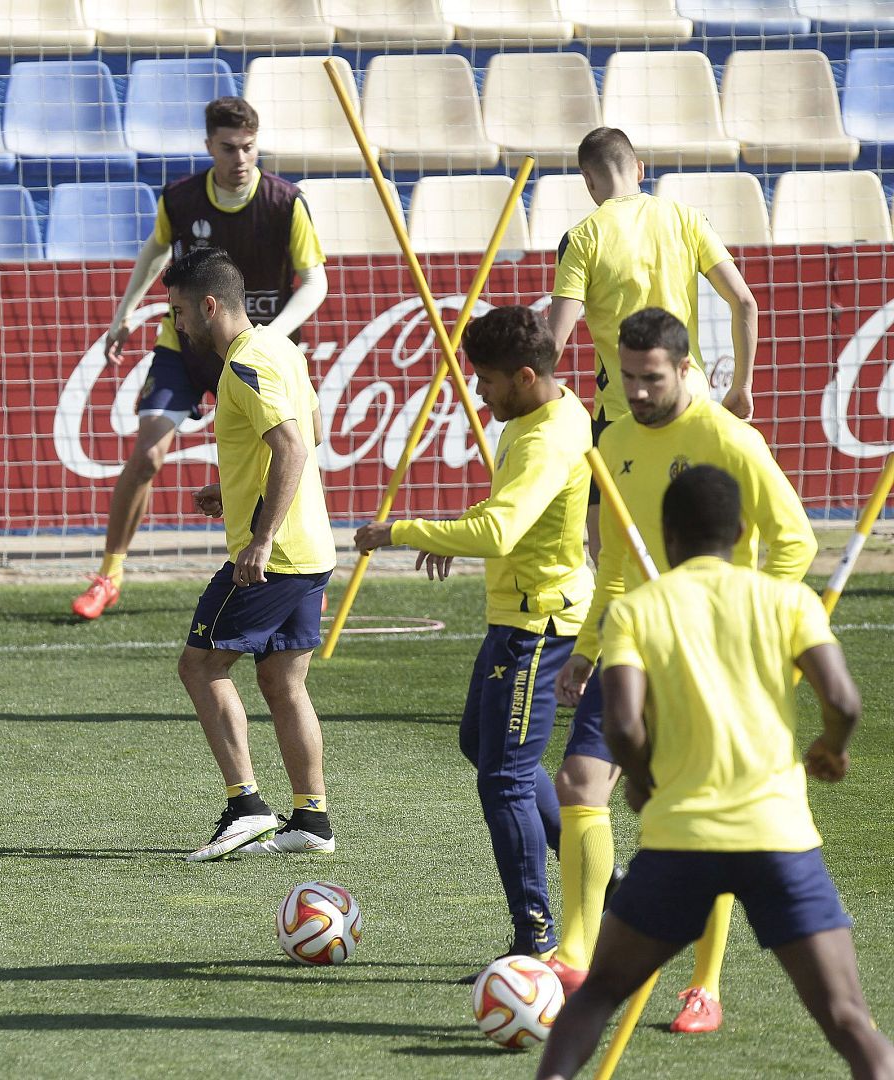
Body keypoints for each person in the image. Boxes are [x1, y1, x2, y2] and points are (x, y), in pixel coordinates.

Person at [537, 465, 893, 1080]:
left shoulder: (637, 610)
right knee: (848, 1019)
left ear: (669, 534)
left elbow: (621, 726)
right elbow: (844, 702)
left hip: (681, 841)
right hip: (778, 838)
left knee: (595, 997)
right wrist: (830, 748)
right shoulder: (787, 600)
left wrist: (645, 785)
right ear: (741, 531)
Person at [550, 307, 817, 1032]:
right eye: (628, 377)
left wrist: (755, 629)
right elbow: (611, 563)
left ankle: (704, 987)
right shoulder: (616, 439)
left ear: (685, 368)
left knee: (698, 821)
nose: (635, 391)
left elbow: (795, 542)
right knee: (578, 782)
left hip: (709, 660)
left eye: (650, 378)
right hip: (633, 646)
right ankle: (573, 952)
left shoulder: (728, 439)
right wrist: (585, 646)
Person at [355, 305, 592, 975]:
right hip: (519, 615)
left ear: (524, 375)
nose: (478, 392)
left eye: (485, 380)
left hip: (538, 626)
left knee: (506, 781)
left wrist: (401, 531)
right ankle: (594, 870)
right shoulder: (552, 409)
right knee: (481, 746)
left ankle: (537, 938)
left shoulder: (547, 437)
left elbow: (500, 531)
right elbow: (509, 519)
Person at [73, 96, 327, 621]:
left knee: (294, 447)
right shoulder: (181, 199)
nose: (241, 158)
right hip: (185, 347)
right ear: (209, 146)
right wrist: (124, 313)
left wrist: (266, 336)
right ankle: (109, 574)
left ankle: (301, 573)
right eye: (230, 147)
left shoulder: (286, 203)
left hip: (258, 353)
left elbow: (316, 278)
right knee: (145, 456)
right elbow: (154, 250)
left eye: (250, 147)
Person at [165, 248, 335, 862]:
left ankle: (246, 807)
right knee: (282, 681)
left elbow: (291, 446)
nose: (178, 324)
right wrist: (233, 487)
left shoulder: (242, 366)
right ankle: (311, 820)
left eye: (180, 311)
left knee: (200, 667)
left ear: (209, 306)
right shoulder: (283, 347)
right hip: (313, 548)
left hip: (278, 554)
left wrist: (260, 535)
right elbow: (312, 430)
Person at [548, 126, 759, 564]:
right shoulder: (686, 218)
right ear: (640, 169)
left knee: (611, 555)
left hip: (623, 413)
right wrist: (741, 386)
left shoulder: (583, 238)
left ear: (588, 181)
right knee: (700, 548)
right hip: (692, 403)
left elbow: (554, 343)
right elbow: (744, 301)